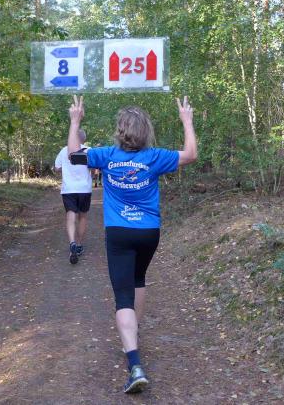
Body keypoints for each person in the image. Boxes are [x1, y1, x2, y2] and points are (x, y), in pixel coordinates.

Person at [67, 95, 197, 394]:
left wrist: (75, 121)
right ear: (146, 131)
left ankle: (135, 364)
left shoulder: (107, 155)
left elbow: (74, 154)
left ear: (120, 131)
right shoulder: (155, 157)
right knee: (138, 278)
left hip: (119, 232)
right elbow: (191, 154)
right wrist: (186, 121)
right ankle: (133, 334)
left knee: (123, 295)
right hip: (149, 231)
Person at [54, 128, 92, 264]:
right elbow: (95, 168)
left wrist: (66, 168)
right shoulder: (89, 150)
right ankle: (79, 244)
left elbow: (56, 168)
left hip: (68, 189)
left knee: (70, 216)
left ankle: (72, 243)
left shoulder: (64, 150)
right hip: (84, 189)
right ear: (84, 139)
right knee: (83, 216)